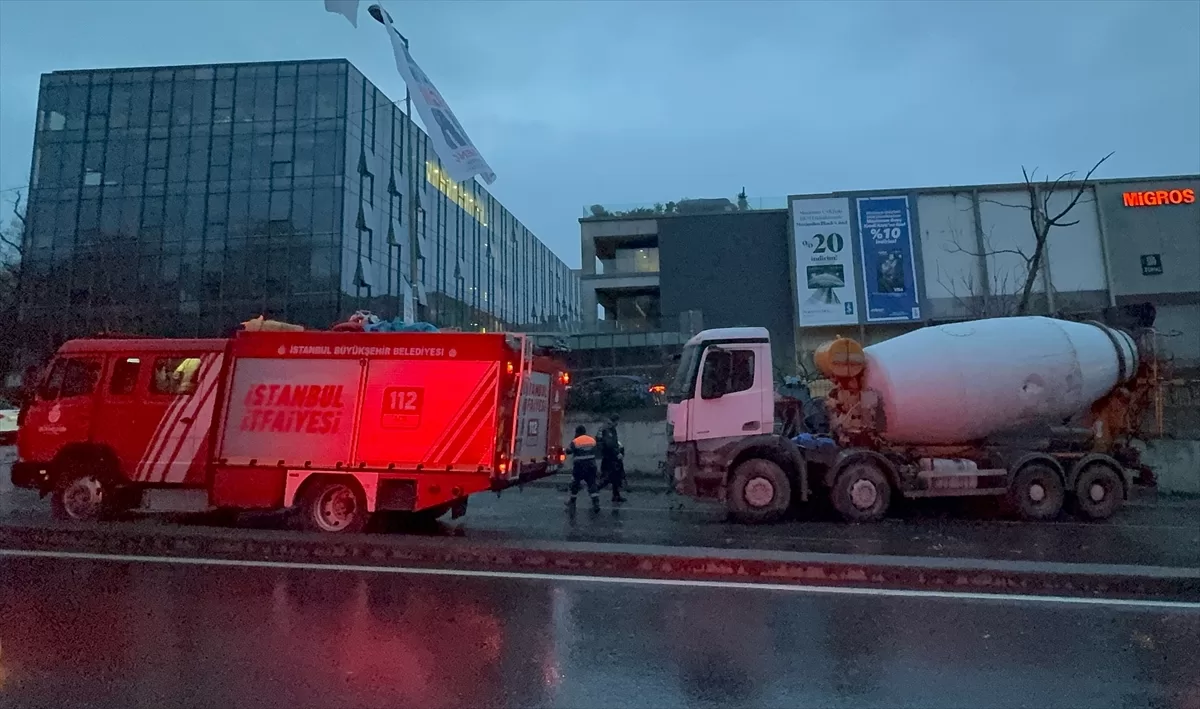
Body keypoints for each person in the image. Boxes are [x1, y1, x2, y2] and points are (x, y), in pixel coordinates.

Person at [567, 425, 601, 512]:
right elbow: (597, 450)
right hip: (591, 466)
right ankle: (596, 502)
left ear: (577, 432)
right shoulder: (592, 440)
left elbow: (569, 451)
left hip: (579, 466)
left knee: (575, 483)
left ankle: (572, 501)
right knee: (592, 483)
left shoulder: (575, 441)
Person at [598, 414, 626, 503]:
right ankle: (594, 490)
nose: (618, 423)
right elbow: (609, 444)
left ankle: (616, 496)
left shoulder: (610, 428)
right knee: (608, 477)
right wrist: (617, 453)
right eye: (617, 421)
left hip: (611, 456)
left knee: (616, 477)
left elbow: (613, 442)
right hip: (609, 457)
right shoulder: (607, 429)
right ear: (615, 421)